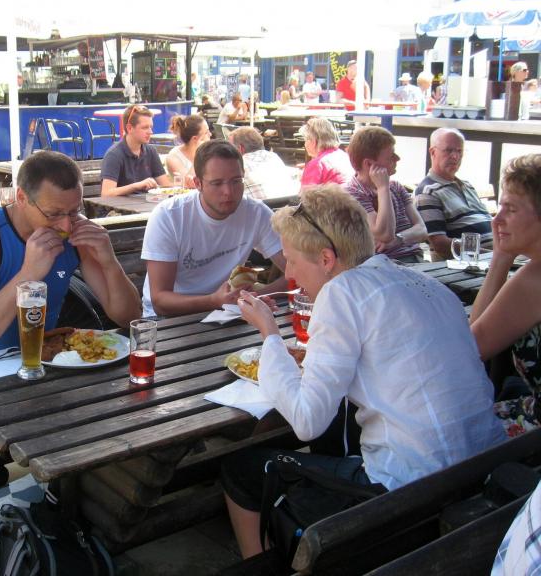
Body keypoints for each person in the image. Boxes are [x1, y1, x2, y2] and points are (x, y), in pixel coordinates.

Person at [222, 185, 506, 559]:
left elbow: (307, 421)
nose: (288, 273)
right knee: (341, 430)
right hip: (483, 467)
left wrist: (270, 335)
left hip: (411, 488)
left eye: (290, 260)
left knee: (239, 468)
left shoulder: (341, 292)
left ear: (326, 258)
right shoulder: (428, 284)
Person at [0, 151, 141, 492]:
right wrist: (28, 274)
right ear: (21, 197)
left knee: (117, 439)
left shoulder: (74, 233)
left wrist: (109, 261)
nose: (66, 225)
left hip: (46, 367)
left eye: (75, 211)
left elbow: (129, 316)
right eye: (54, 214)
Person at [141, 140, 287, 318]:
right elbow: (160, 302)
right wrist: (214, 301)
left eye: (236, 181)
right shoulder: (169, 216)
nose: (228, 192)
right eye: (217, 183)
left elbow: (298, 271)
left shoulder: (255, 212)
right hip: (169, 318)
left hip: (228, 311)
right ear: (198, 183)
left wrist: (256, 297)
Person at [470, 154, 541, 437]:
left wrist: (500, 259)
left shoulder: (534, 279)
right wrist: (502, 254)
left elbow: (471, 348)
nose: (496, 219)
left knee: (455, 433)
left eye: (510, 209)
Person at [345, 126, 427, 263]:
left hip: (415, 259)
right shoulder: (352, 194)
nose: (397, 159)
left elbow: (422, 230)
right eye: (391, 156)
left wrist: (399, 239)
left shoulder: (396, 187)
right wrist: (383, 188)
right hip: (382, 265)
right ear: (369, 164)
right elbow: (384, 234)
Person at [414, 128, 492, 259]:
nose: (455, 156)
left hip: (498, 257)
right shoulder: (427, 193)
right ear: (433, 152)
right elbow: (440, 245)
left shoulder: (467, 186)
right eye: (448, 150)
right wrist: (490, 255)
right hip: (471, 264)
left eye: (459, 151)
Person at [99, 105, 170, 197]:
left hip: (147, 203)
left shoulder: (151, 151)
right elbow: (106, 194)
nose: (150, 132)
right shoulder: (114, 154)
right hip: (121, 205)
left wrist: (183, 184)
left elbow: (166, 186)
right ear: (129, 128)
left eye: (151, 127)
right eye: (145, 127)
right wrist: (136, 186)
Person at [227, 127, 295, 200]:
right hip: (284, 205)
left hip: (255, 206)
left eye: (230, 149)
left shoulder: (238, 166)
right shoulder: (274, 157)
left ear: (240, 149)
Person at [300, 117, 355, 190]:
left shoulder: (317, 164)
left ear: (314, 141)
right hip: (351, 195)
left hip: (336, 197)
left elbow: (306, 194)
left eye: (306, 140)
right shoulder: (343, 155)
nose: (305, 144)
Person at [165, 114, 211, 188]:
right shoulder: (173, 157)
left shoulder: (210, 153)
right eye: (206, 133)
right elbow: (188, 184)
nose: (210, 134)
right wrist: (199, 153)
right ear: (195, 139)